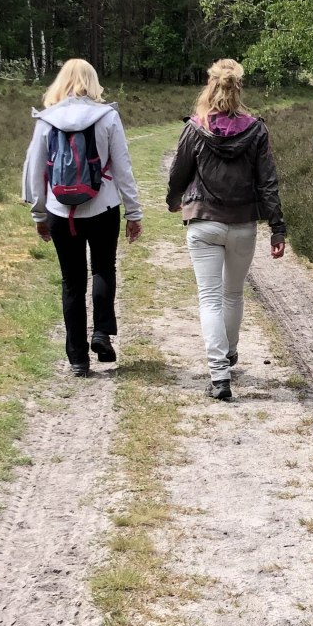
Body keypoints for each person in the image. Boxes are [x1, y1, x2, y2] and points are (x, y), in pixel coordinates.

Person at [165, 59, 288, 403]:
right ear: (239, 88)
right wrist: (277, 228)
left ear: (210, 86)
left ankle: (219, 374)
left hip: (203, 220)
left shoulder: (195, 127)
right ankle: (229, 354)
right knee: (233, 294)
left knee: (209, 298)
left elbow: (178, 172)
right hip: (243, 224)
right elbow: (268, 182)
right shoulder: (257, 130)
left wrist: (174, 200)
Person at [22, 59, 143, 377]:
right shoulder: (108, 117)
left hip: (61, 212)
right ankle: (101, 333)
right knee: (103, 268)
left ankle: (77, 360)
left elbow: (35, 170)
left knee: (72, 282)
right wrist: (133, 212)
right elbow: (123, 168)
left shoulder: (46, 120)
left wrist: (39, 214)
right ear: (93, 82)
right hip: (103, 208)